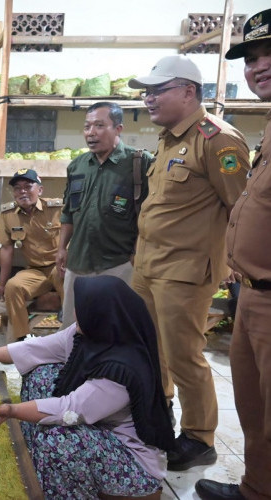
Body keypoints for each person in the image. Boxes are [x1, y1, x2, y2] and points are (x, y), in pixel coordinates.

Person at [127, 55, 250, 471]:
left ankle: (199, 438)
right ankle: (157, 417)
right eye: (146, 92)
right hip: (148, 265)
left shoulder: (219, 140)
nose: (148, 99)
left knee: (183, 355)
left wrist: (235, 262)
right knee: (147, 349)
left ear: (188, 91)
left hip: (185, 271)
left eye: (156, 91)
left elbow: (241, 209)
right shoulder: (168, 138)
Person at [0, 275, 175, 498]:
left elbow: (68, 408)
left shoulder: (121, 371)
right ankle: (36, 458)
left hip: (132, 464)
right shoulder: (87, 334)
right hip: (103, 430)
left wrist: (11, 411)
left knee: (58, 441)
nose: (76, 311)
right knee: (41, 373)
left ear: (101, 314)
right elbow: (36, 349)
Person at [195, 9, 271, 500]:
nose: (258, 67)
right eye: (252, 58)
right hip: (251, 294)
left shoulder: (220, 140)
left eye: (270, 56)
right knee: (253, 407)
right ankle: (256, 489)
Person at [57, 102, 152, 326]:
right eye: (87, 126)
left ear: (118, 129)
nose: (91, 133)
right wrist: (62, 247)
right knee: (72, 329)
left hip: (118, 264)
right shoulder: (77, 166)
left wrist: (137, 253)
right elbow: (69, 211)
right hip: (78, 262)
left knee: (115, 329)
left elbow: (149, 215)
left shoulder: (139, 162)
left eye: (99, 125)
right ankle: (76, 363)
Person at [0, 168, 63, 343]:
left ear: (40, 190)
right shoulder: (8, 215)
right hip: (35, 271)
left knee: (68, 278)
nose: (22, 191)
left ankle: (73, 333)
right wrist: (1, 284)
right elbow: (6, 249)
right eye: (17, 188)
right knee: (13, 286)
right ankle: (21, 339)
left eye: (28, 186)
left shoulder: (57, 209)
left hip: (60, 265)